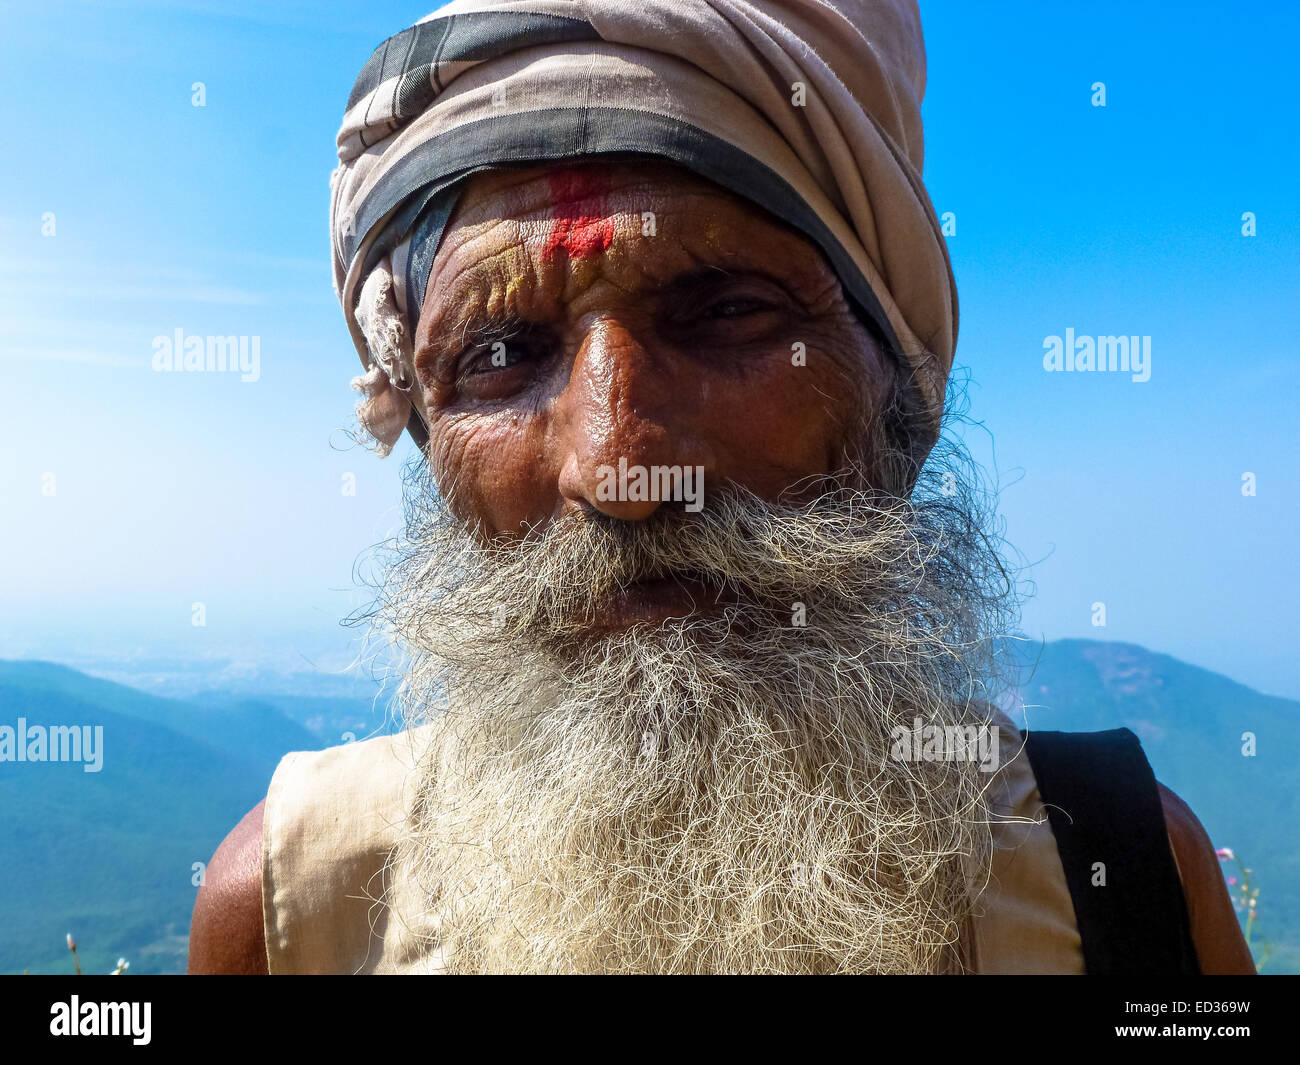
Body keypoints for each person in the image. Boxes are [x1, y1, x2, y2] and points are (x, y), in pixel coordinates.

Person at [188, 0, 1252, 974]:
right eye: (501, 351)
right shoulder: (294, 915)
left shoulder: (1116, 877)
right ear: (428, 437)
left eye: (731, 312)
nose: (617, 471)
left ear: (898, 390)